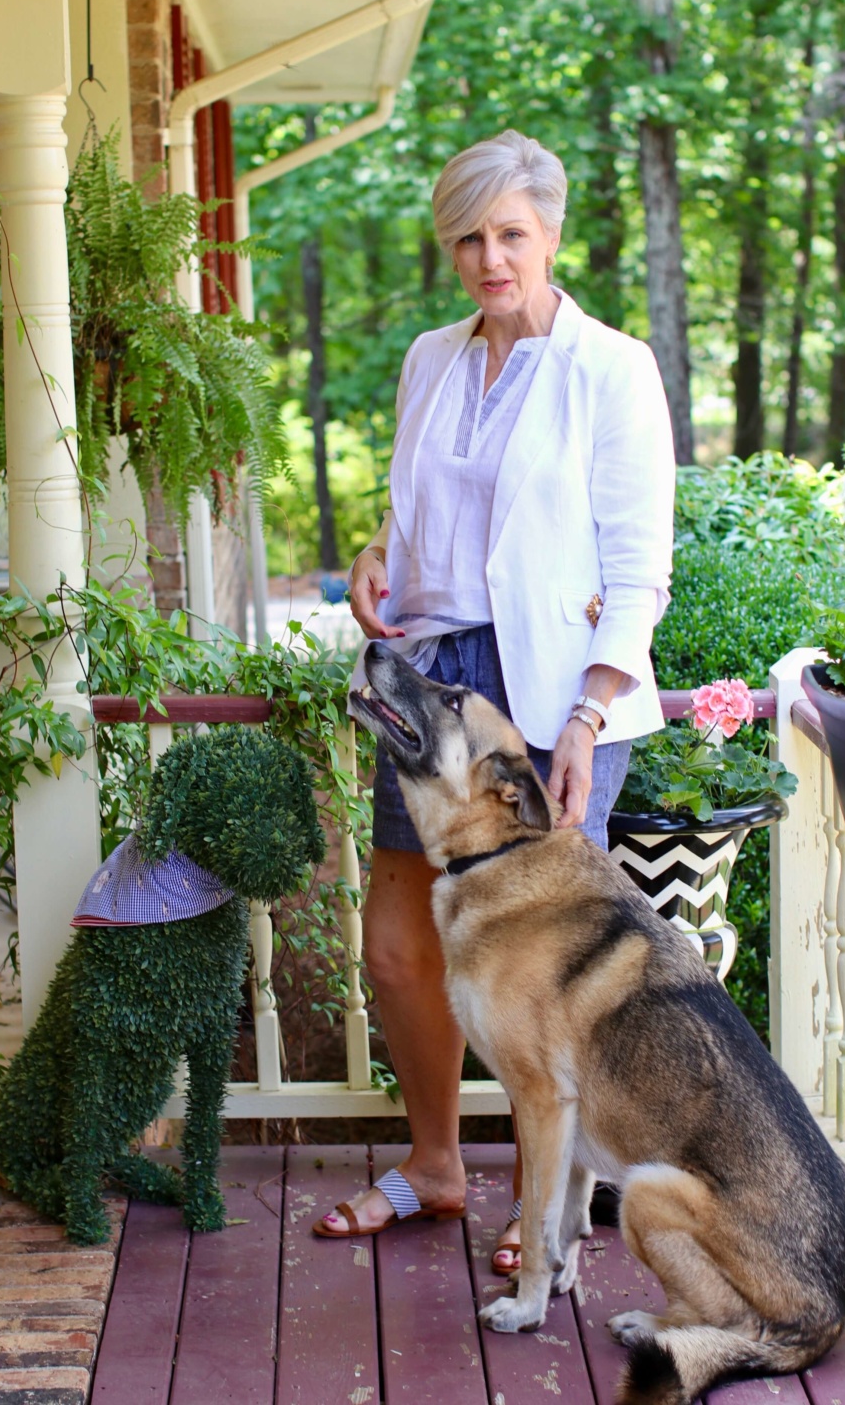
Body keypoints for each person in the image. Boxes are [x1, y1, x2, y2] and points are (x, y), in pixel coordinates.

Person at [312, 131, 675, 1273]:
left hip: (553, 685)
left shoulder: (608, 368)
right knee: (396, 945)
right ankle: (431, 1166)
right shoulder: (430, 356)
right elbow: (424, 508)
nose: (488, 256)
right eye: (467, 236)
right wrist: (379, 550)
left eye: (509, 232)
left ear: (550, 233)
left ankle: (548, 1197)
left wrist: (588, 716)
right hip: (431, 674)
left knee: (539, 968)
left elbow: (638, 565)